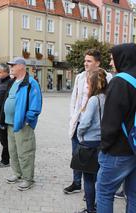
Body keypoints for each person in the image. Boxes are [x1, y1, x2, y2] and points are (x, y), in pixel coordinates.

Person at [64, 49, 112, 194]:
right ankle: (77, 183)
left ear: (97, 63)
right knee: (77, 154)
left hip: (96, 125)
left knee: (94, 159)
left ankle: (93, 190)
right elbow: (74, 98)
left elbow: (109, 101)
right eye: (85, 60)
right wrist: (73, 117)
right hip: (80, 122)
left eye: (89, 61)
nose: (85, 63)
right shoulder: (79, 77)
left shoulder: (107, 77)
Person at [96, 43, 136, 213]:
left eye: (113, 58)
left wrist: (104, 147)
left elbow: (110, 122)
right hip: (134, 147)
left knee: (105, 192)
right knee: (134, 195)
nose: (112, 62)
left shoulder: (120, 82)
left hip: (118, 150)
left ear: (123, 57)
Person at [3, 57, 42, 191]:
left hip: (22, 124)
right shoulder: (13, 82)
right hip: (10, 123)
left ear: (21, 66)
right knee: (13, 151)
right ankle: (17, 173)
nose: (11, 67)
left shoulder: (31, 83)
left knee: (25, 152)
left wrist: (27, 120)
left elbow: (36, 105)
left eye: (13, 65)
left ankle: (28, 179)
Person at [75, 69, 108, 213]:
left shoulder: (94, 99)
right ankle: (99, 205)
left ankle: (90, 209)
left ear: (93, 83)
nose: (87, 86)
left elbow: (85, 122)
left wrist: (79, 135)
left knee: (88, 179)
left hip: (90, 142)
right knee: (99, 177)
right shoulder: (107, 97)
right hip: (103, 142)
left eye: (88, 83)